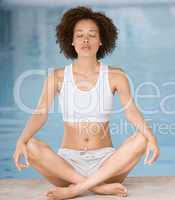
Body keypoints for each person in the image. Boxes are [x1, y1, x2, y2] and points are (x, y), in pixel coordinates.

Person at [12, 6, 160, 199]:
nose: (85, 40)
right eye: (79, 35)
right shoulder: (56, 77)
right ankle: (97, 187)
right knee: (29, 145)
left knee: (142, 138)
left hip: (107, 164)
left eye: (92, 35)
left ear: (101, 41)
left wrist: (152, 139)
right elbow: (40, 114)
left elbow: (131, 111)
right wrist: (20, 141)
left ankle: (77, 189)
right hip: (67, 164)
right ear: (71, 41)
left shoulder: (116, 76)